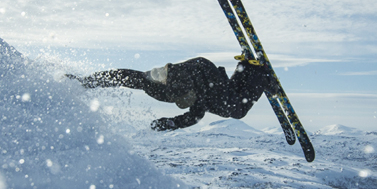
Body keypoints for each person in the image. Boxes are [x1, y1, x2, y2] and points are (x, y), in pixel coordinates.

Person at [70, 56, 277, 131]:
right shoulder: (153, 85)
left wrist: (171, 123)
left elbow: (196, 115)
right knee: (226, 103)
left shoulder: (190, 91)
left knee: (235, 110)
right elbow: (122, 76)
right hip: (200, 73)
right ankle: (248, 70)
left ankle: (260, 76)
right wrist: (88, 82)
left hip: (204, 74)